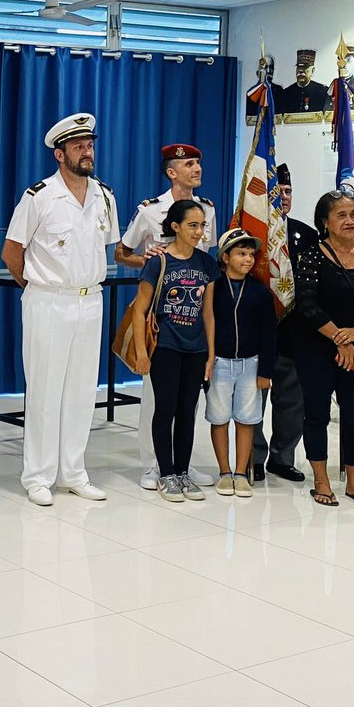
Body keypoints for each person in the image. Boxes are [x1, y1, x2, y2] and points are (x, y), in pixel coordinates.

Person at [3, 113, 119, 506]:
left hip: (91, 299)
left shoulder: (105, 196)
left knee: (83, 390)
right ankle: (38, 476)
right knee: (45, 389)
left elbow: (105, 246)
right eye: (78, 146)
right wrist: (38, 286)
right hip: (49, 300)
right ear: (60, 153)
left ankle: (73, 472)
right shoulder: (39, 196)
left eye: (90, 145)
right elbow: (12, 252)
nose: (87, 152)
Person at [114, 142, 216, 490]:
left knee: (187, 403)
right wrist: (145, 260)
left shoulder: (207, 209)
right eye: (189, 164)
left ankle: (180, 465)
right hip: (159, 315)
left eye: (198, 163)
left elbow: (206, 256)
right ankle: (152, 464)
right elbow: (121, 252)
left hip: (192, 313)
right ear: (172, 172)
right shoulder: (149, 211)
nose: (197, 169)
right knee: (156, 400)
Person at [294, 191, 354, 508]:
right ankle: (321, 482)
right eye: (341, 215)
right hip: (316, 349)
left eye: (353, 214)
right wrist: (341, 338)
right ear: (324, 222)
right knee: (317, 415)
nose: (350, 221)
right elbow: (307, 306)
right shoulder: (311, 255)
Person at [129, 200, 217, 503]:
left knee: (187, 412)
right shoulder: (159, 262)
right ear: (176, 227)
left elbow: (208, 313)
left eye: (202, 225)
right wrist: (142, 353)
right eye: (192, 225)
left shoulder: (206, 263)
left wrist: (210, 354)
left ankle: (182, 472)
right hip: (165, 347)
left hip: (196, 349)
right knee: (165, 409)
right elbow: (140, 311)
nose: (199, 231)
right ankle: (166, 473)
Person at [251, 163, 313, 483]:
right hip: (258, 332)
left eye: (288, 191)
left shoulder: (307, 234)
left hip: (294, 332)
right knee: (253, 401)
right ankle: (253, 458)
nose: (284, 197)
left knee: (291, 400)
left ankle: (282, 458)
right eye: (278, 192)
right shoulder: (251, 234)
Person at [206, 228, 277, 497]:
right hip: (220, 363)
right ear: (225, 257)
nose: (248, 259)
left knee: (247, 419)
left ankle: (240, 472)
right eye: (241, 253)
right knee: (219, 417)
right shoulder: (213, 288)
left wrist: (265, 371)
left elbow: (269, 334)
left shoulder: (260, 292)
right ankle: (224, 472)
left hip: (251, 363)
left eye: (251, 254)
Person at [280, 49, 330, 117]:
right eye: (298, 67)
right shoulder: (286, 93)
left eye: (305, 67)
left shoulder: (322, 91)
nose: (300, 71)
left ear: (313, 70)